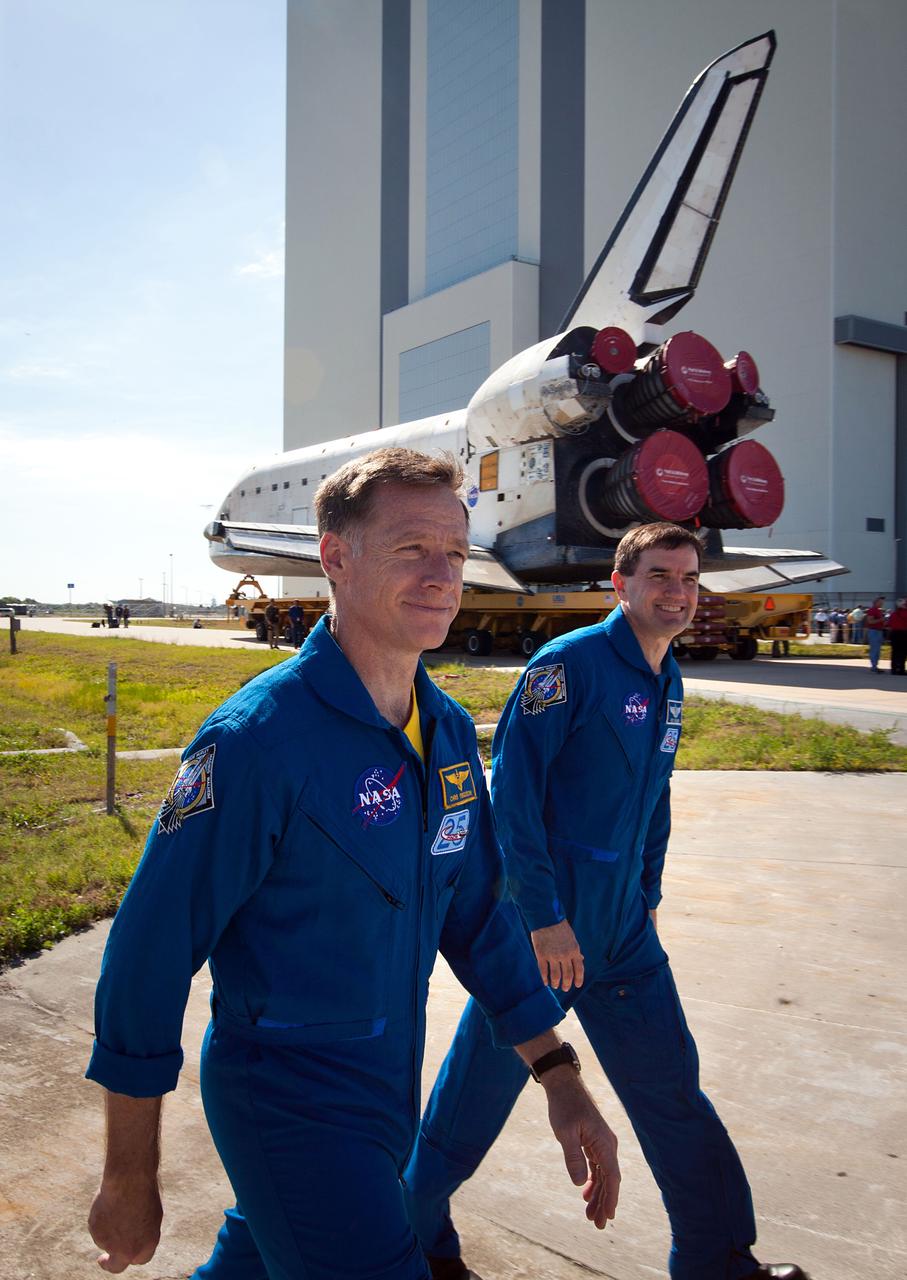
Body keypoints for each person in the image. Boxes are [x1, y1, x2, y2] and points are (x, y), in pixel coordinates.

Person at [85, 448, 620, 1280]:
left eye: (455, 549)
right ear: (335, 556)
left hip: (385, 1090)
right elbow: (147, 957)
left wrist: (556, 1071)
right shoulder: (259, 742)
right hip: (288, 1102)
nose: (443, 574)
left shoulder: (441, 731)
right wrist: (129, 1173)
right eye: (412, 548)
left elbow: (476, 915)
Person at [403, 522, 810, 1280]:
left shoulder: (668, 677)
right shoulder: (568, 667)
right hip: (545, 939)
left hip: (624, 937)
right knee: (472, 1107)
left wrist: (648, 896)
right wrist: (541, 919)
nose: (677, 592)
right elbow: (510, 800)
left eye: (689, 579)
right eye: (659, 575)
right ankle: (415, 1240)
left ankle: (716, 1258)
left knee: (672, 1097)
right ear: (618, 585)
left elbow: (653, 800)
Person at [887, 597, 907, 675]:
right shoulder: (905, 613)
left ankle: (894, 669)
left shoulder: (893, 614)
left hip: (894, 633)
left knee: (895, 652)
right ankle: (901, 669)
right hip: (904, 634)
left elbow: (889, 625)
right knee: (903, 652)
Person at [865, 596, 886, 670]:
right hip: (874, 631)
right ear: (876, 602)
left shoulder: (878, 610)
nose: (882, 603)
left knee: (878, 649)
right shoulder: (872, 610)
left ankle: (875, 665)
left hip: (879, 631)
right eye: (880, 602)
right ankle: (874, 666)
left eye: (882, 602)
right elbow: (870, 621)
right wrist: (881, 620)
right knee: (874, 649)